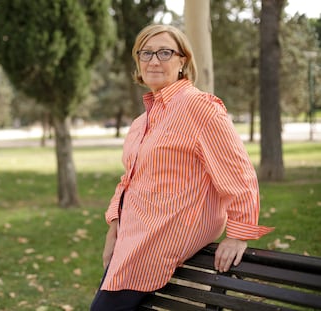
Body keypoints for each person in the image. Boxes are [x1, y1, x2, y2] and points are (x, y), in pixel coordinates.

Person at [90, 24, 274, 311]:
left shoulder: (200, 107)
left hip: (160, 235)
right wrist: (115, 224)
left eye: (165, 52)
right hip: (132, 234)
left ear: (183, 61)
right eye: (146, 53)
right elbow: (129, 178)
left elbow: (239, 175)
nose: (153, 60)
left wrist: (239, 234)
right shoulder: (142, 122)